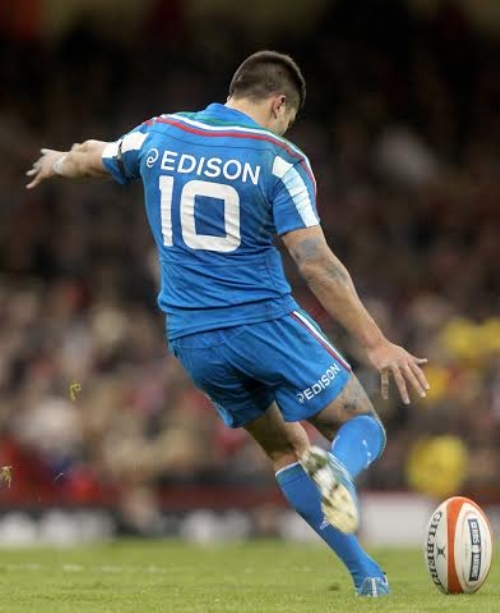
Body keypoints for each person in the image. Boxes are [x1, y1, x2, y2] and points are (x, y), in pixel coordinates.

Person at [27, 50, 429, 597]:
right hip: (263, 322)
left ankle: (367, 577)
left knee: (286, 450)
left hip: (192, 338)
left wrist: (57, 162)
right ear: (279, 104)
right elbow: (316, 263)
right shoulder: (279, 158)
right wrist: (376, 344)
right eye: (289, 118)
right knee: (361, 426)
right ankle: (340, 471)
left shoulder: (162, 133)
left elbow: (96, 157)